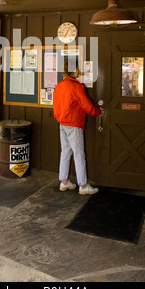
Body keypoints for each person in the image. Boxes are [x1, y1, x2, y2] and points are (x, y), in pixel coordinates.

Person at [53, 60, 103, 195]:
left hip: (62, 123)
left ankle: (64, 182)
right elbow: (87, 106)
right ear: (74, 70)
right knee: (79, 154)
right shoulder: (77, 86)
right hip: (74, 124)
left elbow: (56, 106)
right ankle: (83, 185)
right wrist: (98, 112)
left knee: (65, 152)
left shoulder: (59, 85)